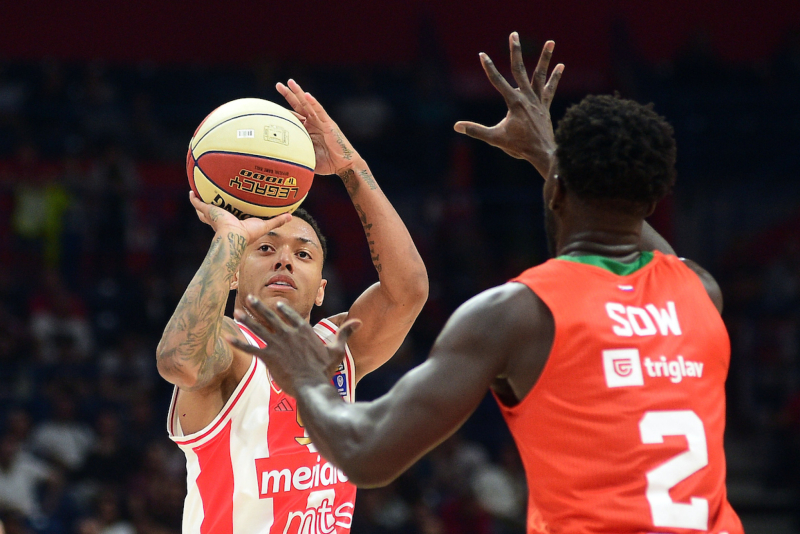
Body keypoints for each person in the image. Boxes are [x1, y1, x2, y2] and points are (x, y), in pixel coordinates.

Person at [230, 33, 745, 534]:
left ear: (556, 192)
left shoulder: (517, 314)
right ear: (653, 201)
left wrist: (306, 377)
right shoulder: (700, 292)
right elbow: (649, 249)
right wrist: (550, 156)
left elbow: (366, 455)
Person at [155, 80, 428, 533]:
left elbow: (409, 290)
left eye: (303, 254)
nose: (285, 259)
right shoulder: (230, 349)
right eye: (266, 248)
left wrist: (351, 167)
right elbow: (177, 360)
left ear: (321, 289)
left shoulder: (339, 349)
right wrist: (230, 238)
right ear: (233, 272)